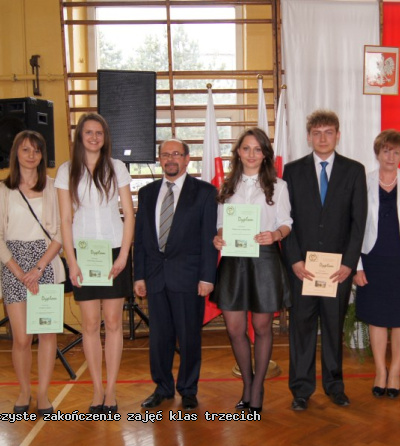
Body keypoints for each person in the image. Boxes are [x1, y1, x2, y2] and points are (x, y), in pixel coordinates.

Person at [283, 109, 368, 411]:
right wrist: (294, 259)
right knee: (302, 330)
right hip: (302, 269)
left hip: (337, 270)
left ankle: (335, 386)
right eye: (316, 133)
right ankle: (301, 390)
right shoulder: (292, 171)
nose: (322, 138)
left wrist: (349, 263)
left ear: (338, 135)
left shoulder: (354, 170)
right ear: (308, 137)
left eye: (328, 132)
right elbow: (285, 220)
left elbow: (359, 221)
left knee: (333, 328)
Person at [56, 113, 135, 414]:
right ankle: (97, 390)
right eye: (88, 132)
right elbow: (65, 219)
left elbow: (129, 214)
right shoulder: (67, 171)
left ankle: (111, 391)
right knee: (89, 325)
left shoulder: (117, 168)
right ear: (80, 136)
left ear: (105, 137)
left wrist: (124, 255)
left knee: (113, 323)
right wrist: (71, 262)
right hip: (83, 253)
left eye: (98, 132)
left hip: (114, 251)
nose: (93, 137)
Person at [211, 128, 292, 413]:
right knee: (235, 328)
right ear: (238, 152)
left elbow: (286, 222)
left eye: (258, 149)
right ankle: (247, 383)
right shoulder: (226, 186)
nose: (252, 154)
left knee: (261, 327)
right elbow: (220, 224)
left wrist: (276, 235)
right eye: (246, 148)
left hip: (264, 260)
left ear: (265, 154)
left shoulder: (278, 185)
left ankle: (257, 388)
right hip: (234, 260)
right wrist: (218, 237)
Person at [134, 138, 218, 411]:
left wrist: (207, 278)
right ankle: (163, 387)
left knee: (189, 337)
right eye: (165, 154)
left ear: (187, 159)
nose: (170, 159)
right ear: (159, 159)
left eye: (176, 154)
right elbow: (140, 238)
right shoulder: (147, 193)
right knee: (159, 339)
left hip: (189, 278)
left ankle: (188, 389)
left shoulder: (205, 192)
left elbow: (208, 238)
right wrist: (139, 276)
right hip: (155, 277)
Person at [0, 130, 65, 416]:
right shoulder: (2, 191)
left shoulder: (54, 188)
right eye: (25, 149)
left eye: (37, 150)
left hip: (45, 264)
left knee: (46, 335)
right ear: (16, 154)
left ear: (43, 155)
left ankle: (43, 394)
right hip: (13, 267)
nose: (31, 155)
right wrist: (21, 272)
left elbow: (61, 233)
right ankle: (24, 391)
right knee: (22, 338)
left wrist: (38, 268)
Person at [353, 130, 400, 400]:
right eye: (386, 150)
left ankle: (395, 372)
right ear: (377, 153)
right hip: (372, 258)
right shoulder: (364, 181)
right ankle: (380, 371)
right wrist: (356, 265)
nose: (391, 156)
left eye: (396, 151)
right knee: (376, 318)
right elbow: (355, 226)